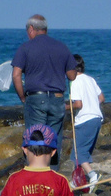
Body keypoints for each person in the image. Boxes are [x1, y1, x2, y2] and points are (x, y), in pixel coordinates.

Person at [12, 14, 76, 146]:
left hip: (36, 98)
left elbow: (16, 75)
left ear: (31, 29)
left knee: (35, 138)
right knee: (54, 138)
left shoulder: (25, 47)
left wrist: (23, 98)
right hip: (57, 98)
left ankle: (36, 166)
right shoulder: (62, 47)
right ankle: (53, 167)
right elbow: (72, 76)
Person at [67, 54, 105, 188]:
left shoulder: (75, 81)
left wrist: (64, 107)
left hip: (85, 120)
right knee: (84, 151)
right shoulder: (91, 79)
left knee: (78, 153)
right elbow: (101, 98)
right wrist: (92, 103)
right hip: (96, 118)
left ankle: (93, 175)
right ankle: (77, 179)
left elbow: (78, 104)